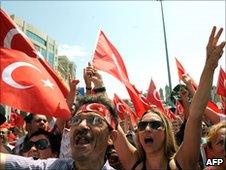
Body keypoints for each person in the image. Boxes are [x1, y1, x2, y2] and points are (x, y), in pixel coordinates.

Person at [113, 26, 225, 170]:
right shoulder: (134, 164)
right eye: (142, 125)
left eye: (154, 125)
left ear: (167, 132)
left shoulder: (182, 163)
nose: (147, 128)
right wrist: (96, 86)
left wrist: (209, 67)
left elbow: (196, 115)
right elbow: (112, 121)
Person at [0, 96, 118, 170]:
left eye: (95, 120)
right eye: (76, 120)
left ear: (111, 137)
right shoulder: (52, 167)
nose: (81, 125)